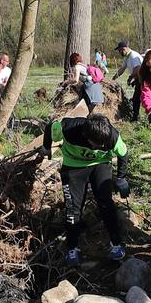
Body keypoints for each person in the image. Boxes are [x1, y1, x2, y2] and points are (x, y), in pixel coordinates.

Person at [46, 113, 130, 265]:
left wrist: (121, 178)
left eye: (102, 144)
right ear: (85, 135)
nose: (99, 146)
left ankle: (116, 243)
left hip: (100, 164)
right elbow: (49, 127)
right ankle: (73, 248)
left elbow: (123, 154)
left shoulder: (111, 135)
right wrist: (46, 148)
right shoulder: (68, 128)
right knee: (73, 208)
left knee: (106, 203)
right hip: (73, 166)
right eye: (96, 144)